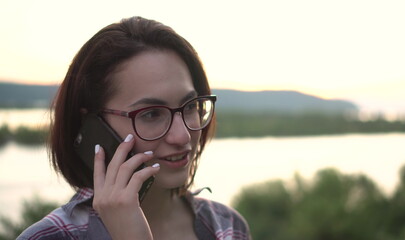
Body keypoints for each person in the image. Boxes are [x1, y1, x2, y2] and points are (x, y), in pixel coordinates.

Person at [17, 16, 251, 240]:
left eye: (190, 106)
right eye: (151, 114)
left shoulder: (228, 227)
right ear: (92, 125)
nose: (182, 135)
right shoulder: (50, 237)